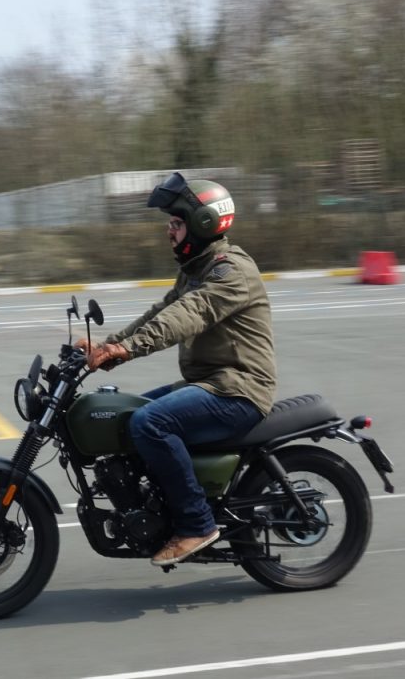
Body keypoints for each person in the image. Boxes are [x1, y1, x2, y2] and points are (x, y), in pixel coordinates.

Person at [81, 172, 277, 567]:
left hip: (238, 390)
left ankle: (196, 525)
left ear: (202, 223)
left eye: (175, 223)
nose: (169, 232)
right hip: (210, 385)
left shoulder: (229, 271)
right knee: (126, 416)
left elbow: (188, 315)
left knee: (149, 423)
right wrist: (109, 345)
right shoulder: (196, 268)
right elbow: (162, 311)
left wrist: (128, 348)